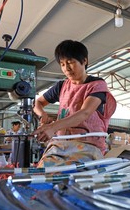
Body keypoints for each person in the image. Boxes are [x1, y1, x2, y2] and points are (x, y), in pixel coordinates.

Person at [32, 39, 116, 168]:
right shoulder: (61, 86)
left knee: (73, 175)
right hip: (60, 145)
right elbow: (38, 103)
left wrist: (53, 127)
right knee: (43, 172)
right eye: (62, 64)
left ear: (84, 61)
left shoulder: (97, 85)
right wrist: (42, 115)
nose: (67, 68)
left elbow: (84, 113)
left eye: (71, 62)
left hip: (88, 146)